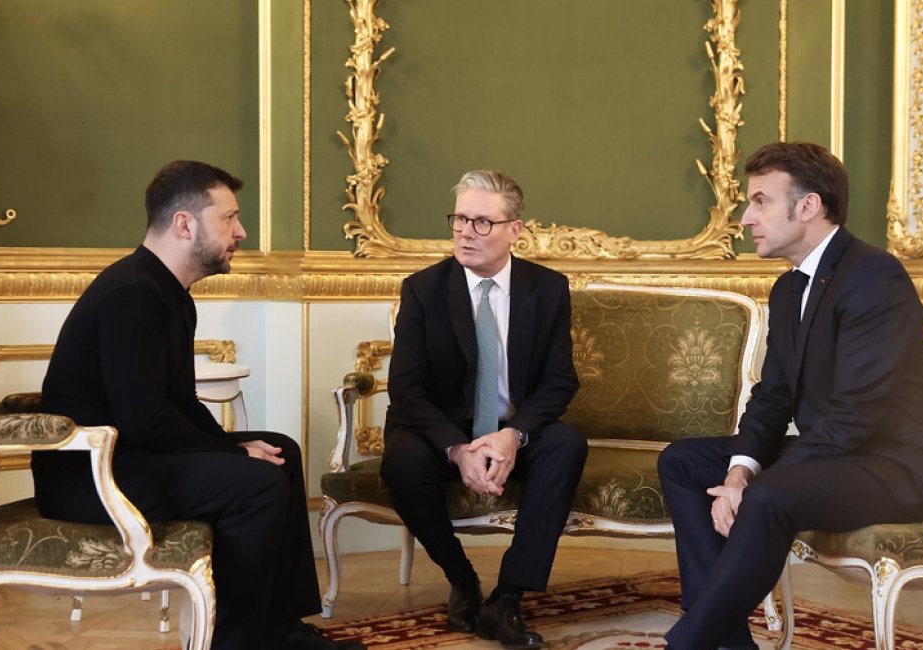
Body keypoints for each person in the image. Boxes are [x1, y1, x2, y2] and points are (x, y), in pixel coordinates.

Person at [34, 161, 361, 650]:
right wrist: (231, 456)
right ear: (185, 224)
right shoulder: (132, 295)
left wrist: (240, 445)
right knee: (256, 483)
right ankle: (236, 641)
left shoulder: (168, 292)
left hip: (130, 456)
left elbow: (178, 404)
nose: (241, 231)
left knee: (280, 452)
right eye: (229, 218)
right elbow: (145, 418)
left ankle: (279, 628)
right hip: (91, 474)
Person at [657, 142, 923, 649]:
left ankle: (689, 641)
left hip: (901, 466)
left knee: (772, 492)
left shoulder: (874, 276)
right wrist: (738, 471)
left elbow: (856, 412)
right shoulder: (787, 290)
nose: (743, 217)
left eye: (759, 200)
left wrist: (759, 483)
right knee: (685, 461)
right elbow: (774, 396)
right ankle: (728, 638)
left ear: (808, 206)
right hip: (840, 456)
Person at [381, 170, 586, 650]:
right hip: (441, 431)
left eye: (481, 223)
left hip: (515, 430)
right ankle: (463, 580)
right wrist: (457, 448)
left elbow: (560, 381)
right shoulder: (423, 290)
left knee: (567, 444)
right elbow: (407, 390)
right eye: (459, 220)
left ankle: (508, 598)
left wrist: (512, 437)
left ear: (515, 229)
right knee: (402, 460)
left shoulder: (548, 288)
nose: (465, 233)